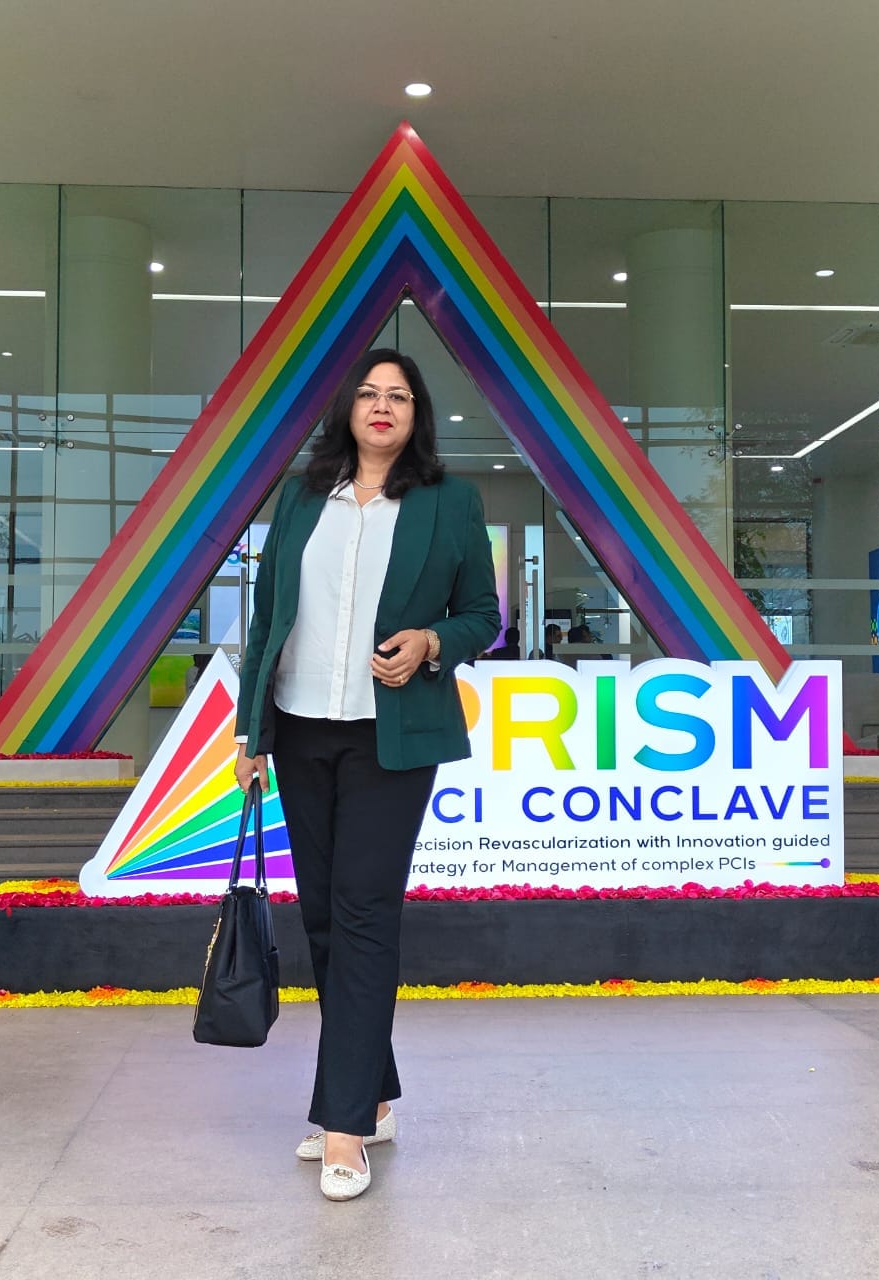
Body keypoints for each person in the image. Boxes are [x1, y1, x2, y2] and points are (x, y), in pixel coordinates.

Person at [233, 349, 500, 1202]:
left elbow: (483, 616)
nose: (383, 406)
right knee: (322, 917)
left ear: (417, 416)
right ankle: (374, 1094)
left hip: (394, 738)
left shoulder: (450, 501)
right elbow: (268, 618)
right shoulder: (301, 497)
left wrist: (432, 642)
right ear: (347, 409)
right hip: (302, 730)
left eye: (400, 397)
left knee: (363, 913)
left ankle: (343, 1123)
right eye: (370, 394)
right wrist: (251, 732)